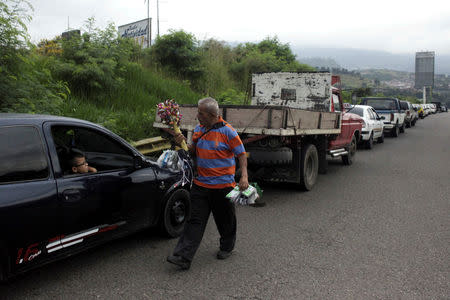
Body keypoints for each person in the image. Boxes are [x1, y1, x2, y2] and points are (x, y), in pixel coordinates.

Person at [167, 97, 249, 270]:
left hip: (223, 186)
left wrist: (244, 177)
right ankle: (183, 256)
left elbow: (241, 154)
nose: (197, 116)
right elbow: (192, 150)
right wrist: (180, 141)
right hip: (201, 184)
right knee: (194, 220)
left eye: (200, 113)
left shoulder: (228, 132)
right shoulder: (199, 129)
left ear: (212, 115)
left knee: (225, 219)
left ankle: (227, 247)